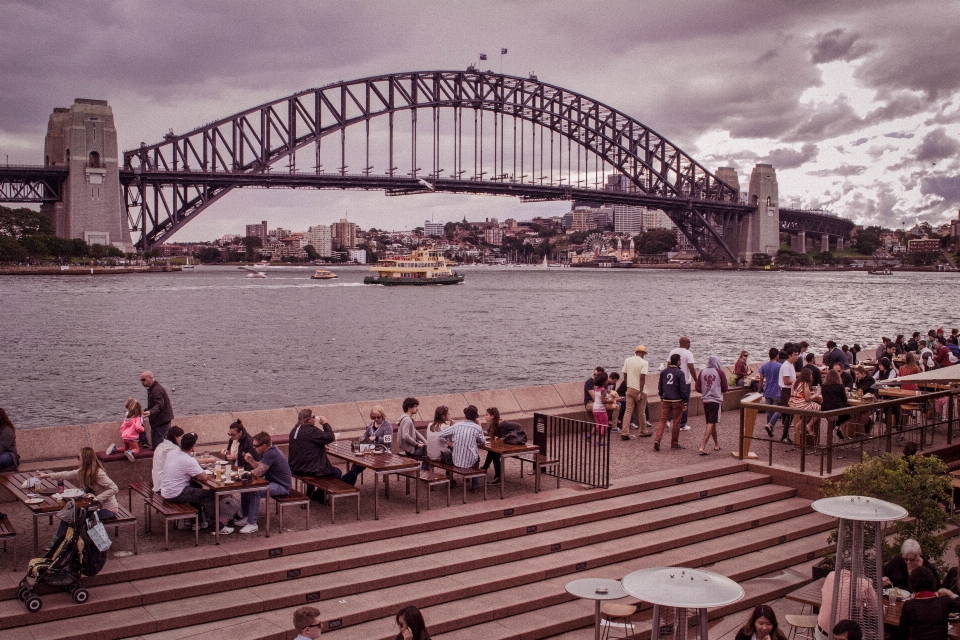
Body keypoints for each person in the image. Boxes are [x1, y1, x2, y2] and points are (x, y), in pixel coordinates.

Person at [39, 447, 119, 537]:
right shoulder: (84, 471)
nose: (77, 459)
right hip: (94, 507)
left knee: (76, 518)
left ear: (84, 459)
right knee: (69, 514)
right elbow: (67, 474)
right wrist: (46, 476)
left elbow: (114, 488)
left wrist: (97, 498)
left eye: (78, 457)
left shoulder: (98, 473)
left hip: (107, 509)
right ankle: (59, 542)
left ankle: (68, 543)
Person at [161, 432, 231, 534]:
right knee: (211, 496)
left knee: (196, 487)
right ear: (193, 447)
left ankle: (196, 522)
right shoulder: (188, 460)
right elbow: (203, 477)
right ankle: (217, 528)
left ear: (181, 444)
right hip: (175, 494)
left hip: (165, 491)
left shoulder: (172, 453)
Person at [239, 432, 292, 534]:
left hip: (282, 486)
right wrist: (251, 461)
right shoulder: (269, 451)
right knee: (245, 489)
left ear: (264, 445)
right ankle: (246, 516)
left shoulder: (271, 453)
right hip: (273, 482)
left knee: (256, 491)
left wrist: (241, 475)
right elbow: (261, 465)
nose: (254, 448)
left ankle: (252, 523)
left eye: (256, 446)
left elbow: (258, 472)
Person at [288, 409, 341, 502]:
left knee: (311, 463)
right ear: (309, 420)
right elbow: (330, 437)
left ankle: (310, 490)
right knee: (337, 473)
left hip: (295, 467)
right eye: (313, 417)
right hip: (308, 469)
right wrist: (325, 423)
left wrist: (320, 446)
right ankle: (318, 495)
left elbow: (306, 445)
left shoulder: (294, 430)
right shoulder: (312, 431)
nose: (315, 419)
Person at [895, 565, 960, 640]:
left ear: (912, 585)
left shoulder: (909, 605)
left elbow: (902, 633)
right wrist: (951, 594)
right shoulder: (944, 602)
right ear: (932, 582)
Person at [816, 568, 877, 640]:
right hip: (843, 636)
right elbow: (878, 611)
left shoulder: (831, 575)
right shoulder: (864, 584)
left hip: (820, 631)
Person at [343, 406, 393, 486]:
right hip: (371, 449)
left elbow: (389, 440)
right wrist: (362, 438)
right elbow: (366, 434)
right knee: (357, 462)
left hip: (383, 450)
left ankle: (344, 481)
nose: (376, 419)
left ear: (382, 415)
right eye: (374, 417)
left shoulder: (387, 425)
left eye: (378, 417)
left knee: (361, 463)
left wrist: (376, 438)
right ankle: (348, 484)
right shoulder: (372, 423)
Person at [439, 405, 486, 488]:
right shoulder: (477, 428)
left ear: (465, 416)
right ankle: (475, 484)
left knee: (467, 454)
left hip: (456, 460)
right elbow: (482, 441)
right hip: (470, 461)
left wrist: (451, 444)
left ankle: (469, 479)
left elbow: (442, 435)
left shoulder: (457, 425)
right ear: (476, 417)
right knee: (477, 458)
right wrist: (479, 425)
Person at [655, 353, 690, 451]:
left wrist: (661, 396)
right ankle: (674, 443)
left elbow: (660, 386)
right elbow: (683, 389)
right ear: (678, 361)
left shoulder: (664, 372)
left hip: (666, 399)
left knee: (662, 420)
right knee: (676, 421)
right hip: (677, 400)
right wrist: (685, 402)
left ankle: (657, 440)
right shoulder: (680, 373)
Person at [696, 355, 727, 455]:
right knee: (711, 422)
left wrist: (706, 391)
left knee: (711, 422)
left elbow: (698, 388)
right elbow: (725, 388)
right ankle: (702, 446)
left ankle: (716, 444)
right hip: (715, 400)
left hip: (705, 400)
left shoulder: (702, 372)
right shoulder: (720, 372)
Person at [769, 347, 800, 442]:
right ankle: (784, 435)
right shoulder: (786, 366)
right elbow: (786, 381)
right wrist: (797, 381)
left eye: (797, 354)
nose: (797, 357)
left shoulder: (791, 365)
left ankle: (785, 435)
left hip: (790, 391)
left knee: (788, 414)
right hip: (786, 391)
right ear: (789, 355)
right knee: (789, 414)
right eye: (794, 355)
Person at [621, 345, 652, 438]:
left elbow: (625, 375)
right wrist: (641, 392)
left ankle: (625, 432)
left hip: (629, 388)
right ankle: (643, 431)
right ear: (642, 353)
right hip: (639, 389)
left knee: (628, 411)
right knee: (641, 411)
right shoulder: (644, 363)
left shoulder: (627, 360)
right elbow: (642, 378)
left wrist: (628, 386)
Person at [668, 337, 697, 431]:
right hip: (685, 381)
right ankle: (682, 424)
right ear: (685, 343)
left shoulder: (673, 351)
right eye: (689, 342)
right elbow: (691, 367)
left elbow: (668, 365)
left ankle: (669, 419)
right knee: (684, 402)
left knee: (674, 401)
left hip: (673, 381)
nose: (690, 344)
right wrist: (696, 380)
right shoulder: (688, 353)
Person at [140, 370, 173, 449]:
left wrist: (150, 412)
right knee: (160, 447)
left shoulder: (156, 390)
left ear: (150, 378)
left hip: (160, 423)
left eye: (143, 380)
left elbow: (159, 405)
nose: (142, 382)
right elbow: (154, 405)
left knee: (158, 447)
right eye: (141, 380)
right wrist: (143, 411)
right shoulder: (154, 389)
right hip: (160, 422)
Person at [789, 368, 822, 441]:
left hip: (793, 403)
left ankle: (799, 424)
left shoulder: (795, 382)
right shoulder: (805, 383)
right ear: (807, 376)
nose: (811, 377)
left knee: (809, 412)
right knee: (820, 409)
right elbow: (807, 399)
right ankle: (809, 425)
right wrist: (816, 395)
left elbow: (800, 393)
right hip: (801, 404)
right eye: (811, 375)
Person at [759, 348, 783, 439]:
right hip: (777, 391)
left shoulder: (764, 366)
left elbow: (761, 379)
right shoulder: (780, 366)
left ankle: (770, 428)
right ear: (777, 355)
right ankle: (770, 424)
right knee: (779, 410)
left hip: (767, 390)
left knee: (769, 411)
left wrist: (759, 390)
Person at [152, 426, 184, 491]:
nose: (182, 439)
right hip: (165, 484)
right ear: (176, 437)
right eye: (181, 437)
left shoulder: (160, 445)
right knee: (195, 485)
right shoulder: (174, 448)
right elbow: (181, 465)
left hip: (156, 481)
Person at [820, 369, 851, 439]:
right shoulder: (840, 386)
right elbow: (844, 400)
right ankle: (840, 427)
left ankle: (833, 425)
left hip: (826, 408)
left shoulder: (824, 386)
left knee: (834, 417)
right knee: (850, 411)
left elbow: (823, 397)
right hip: (837, 408)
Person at [481, 407, 504, 484]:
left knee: (494, 454)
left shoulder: (501, 424)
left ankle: (498, 476)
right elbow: (488, 432)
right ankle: (486, 468)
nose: (485, 416)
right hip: (497, 445)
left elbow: (503, 436)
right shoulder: (492, 424)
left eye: (486, 415)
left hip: (504, 445)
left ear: (492, 416)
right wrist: (485, 433)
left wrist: (497, 439)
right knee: (492, 452)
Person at [589, 370, 610, 444]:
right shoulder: (603, 390)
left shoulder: (596, 388)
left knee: (598, 424)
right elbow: (603, 401)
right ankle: (599, 441)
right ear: (604, 381)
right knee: (604, 425)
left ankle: (589, 435)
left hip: (595, 408)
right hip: (601, 409)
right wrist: (610, 401)